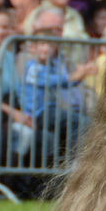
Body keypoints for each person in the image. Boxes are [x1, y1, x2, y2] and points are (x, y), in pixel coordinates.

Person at [17, 8, 94, 164]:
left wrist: (81, 75)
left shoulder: (50, 64)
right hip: (37, 111)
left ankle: (74, 162)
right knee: (77, 121)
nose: (46, 49)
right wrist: (72, 76)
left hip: (48, 108)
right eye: (42, 45)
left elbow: (63, 84)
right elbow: (48, 81)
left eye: (50, 46)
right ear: (33, 47)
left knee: (83, 121)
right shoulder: (32, 66)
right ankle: (75, 162)